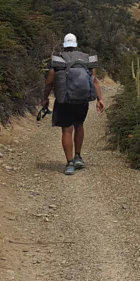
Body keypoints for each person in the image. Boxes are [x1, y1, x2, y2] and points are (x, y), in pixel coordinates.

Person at [42, 33, 105, 175]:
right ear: (76, 44)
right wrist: (99, 99)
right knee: (79, 125)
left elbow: (50, 82)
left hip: (64, 100)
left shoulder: (59, 60)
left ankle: (69, 163)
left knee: (67, 130)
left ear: (64, 45)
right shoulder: (85, 59)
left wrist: (45, 98)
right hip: (82, 100)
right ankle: (78, 156)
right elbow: (94, 81)